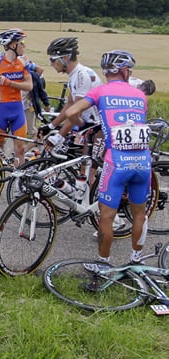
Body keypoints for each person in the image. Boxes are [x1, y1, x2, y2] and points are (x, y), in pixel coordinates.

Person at [66, 50, 151, 265]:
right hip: (143, 160)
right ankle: (136, 260)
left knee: (106, 216)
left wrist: (82, 125)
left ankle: (103, 264)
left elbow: (70, 112)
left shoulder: (100, 92)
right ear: (124, 70)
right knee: (139, 214)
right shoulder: (139, 95)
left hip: (117, 162)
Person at [0, 28, 33, 167]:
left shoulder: (23, 62)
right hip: (1, 109)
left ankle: (18, 181)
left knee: (20, 149)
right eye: (22, 43)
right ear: (12, 45)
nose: (24, 46)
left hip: (18, 110)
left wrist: (10, 83)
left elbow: (29, 86)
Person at [38, 37, 102, 148]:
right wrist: (51, 126)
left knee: (87, 164)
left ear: (65, 58)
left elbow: (76, 112)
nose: (51, 64)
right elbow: (70, 104)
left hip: (96, 126)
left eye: (53, 60)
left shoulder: (82, 76)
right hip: (86, 124)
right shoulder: (74, 75)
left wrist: (59, 136)